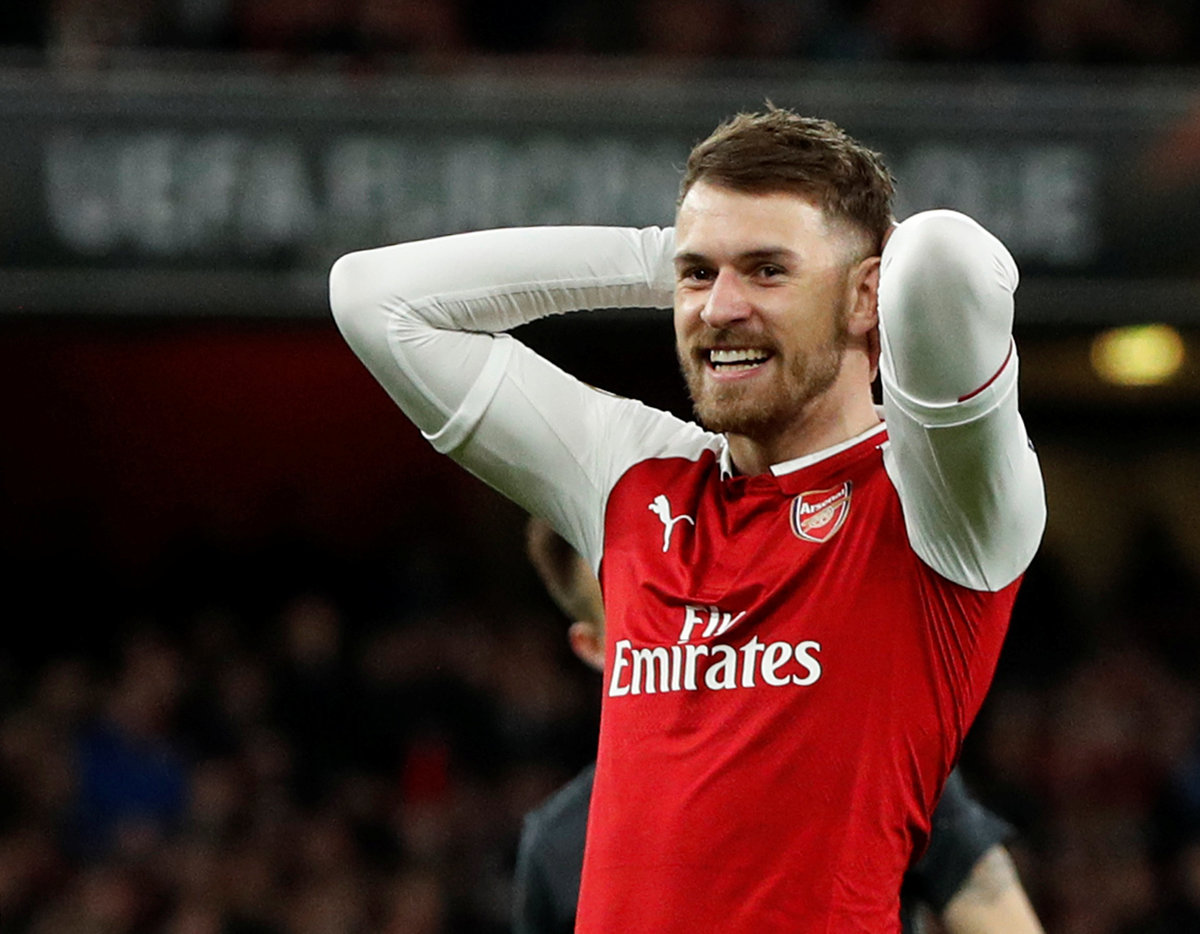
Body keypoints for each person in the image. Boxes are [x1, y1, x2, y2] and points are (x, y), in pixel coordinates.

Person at [329, 106, 1045, 932]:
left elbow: (944, 256)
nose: (719, 308)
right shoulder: (633, 478)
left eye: (767, 271)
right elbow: (373, 298)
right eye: (698, 274)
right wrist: (656, 258)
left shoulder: (939, 508)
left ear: (865, 295)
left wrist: (837, 268)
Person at [515, 517, 1046, 934]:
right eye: (639, 618)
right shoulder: (555, 848)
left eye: (676, 599)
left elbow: (989, 901)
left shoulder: (860, 755)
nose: (674, 630)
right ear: (594, 648)